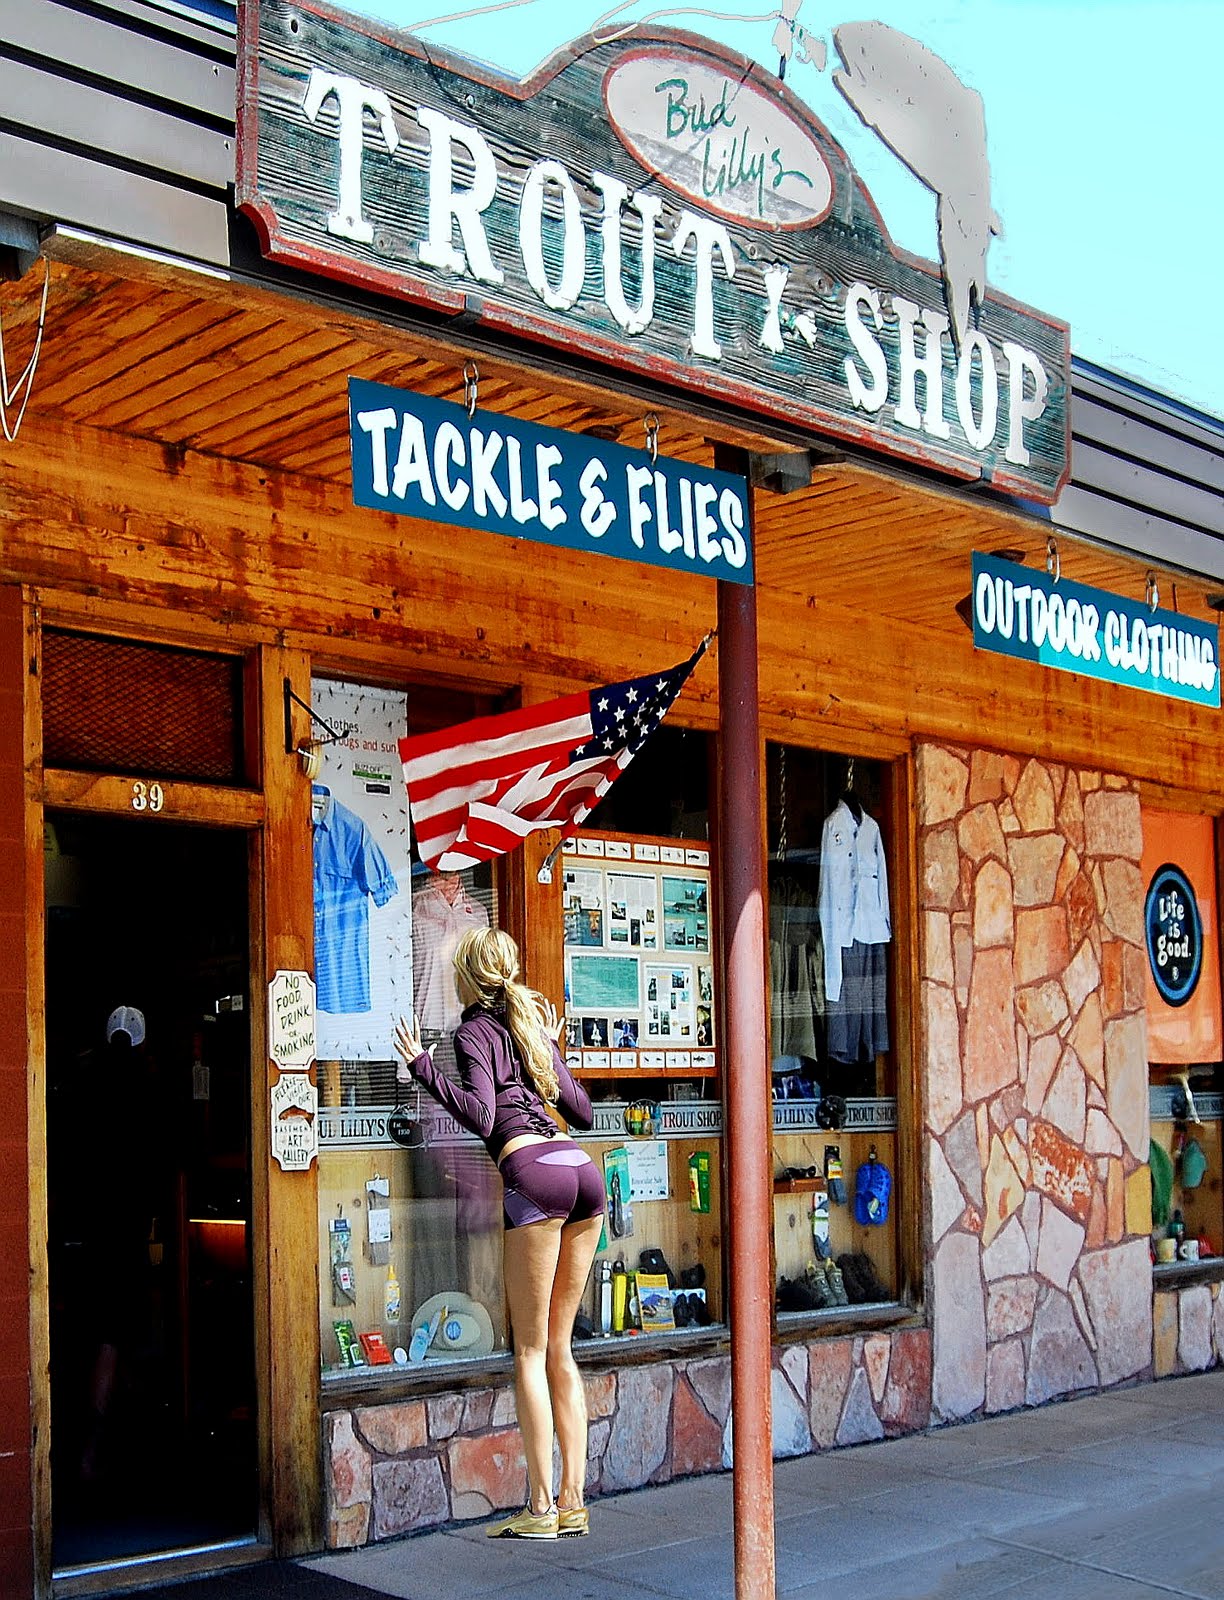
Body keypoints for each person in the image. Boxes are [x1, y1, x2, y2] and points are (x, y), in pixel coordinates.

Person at [394, 928, 605, 1541]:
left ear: (467, 977)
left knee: (531, 1352)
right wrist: (553, 1051)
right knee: (562, 1351)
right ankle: (573, 1502)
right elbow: (584, 1112)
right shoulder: (532, 1025)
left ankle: (539, 1509)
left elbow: (483, 1116)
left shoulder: (473, 1031)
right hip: (580, 1171)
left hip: (533, 1177)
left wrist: (423, 1069)